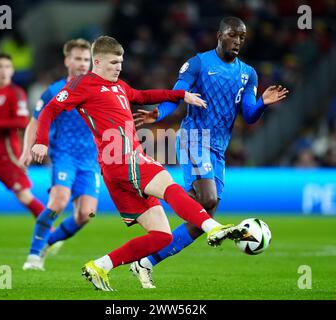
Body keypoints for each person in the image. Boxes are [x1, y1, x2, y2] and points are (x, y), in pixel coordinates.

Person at [31, 35, 248, 291]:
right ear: (97, 62)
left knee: (161, 237)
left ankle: (101, 265)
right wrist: (41, 141)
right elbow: (49, 110)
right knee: (167, 182)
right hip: (121, 159)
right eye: (113, 62)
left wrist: (181, 95)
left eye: (120, 62)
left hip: (118, 170)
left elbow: (143, 95)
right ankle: (212, 227)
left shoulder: (120, 86)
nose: (118, 67)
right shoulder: (83, 84)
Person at [132, 16, 289, 288]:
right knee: (208, 198)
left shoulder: (248, 73)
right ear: (219, 35)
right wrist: (159, 114)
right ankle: (158, 194)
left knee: (206, 213)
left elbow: (249, 115)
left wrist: (262, 103)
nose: (237, 40)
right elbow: (177, 94)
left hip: (218, 148)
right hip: (194, 137)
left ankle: (146, 262)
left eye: (242, 37)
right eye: (232, 35)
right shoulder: (198, 63)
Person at [22, 39, 100, 271]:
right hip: (63, 155)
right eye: (78, 58)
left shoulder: (99, 90)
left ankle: (48, 242)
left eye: (87, 59)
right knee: (58, 201)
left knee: (85, 214)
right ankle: (34, 256)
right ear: (67, 60)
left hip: (90, 160)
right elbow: (34, 122)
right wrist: (28, 148)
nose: (82, 64)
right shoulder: (54, 91)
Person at [0, 53, 44, 223]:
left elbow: (22, 121)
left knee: (24, 196)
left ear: (12, 71)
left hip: (6, 155)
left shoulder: (16, 92)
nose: (3, 70)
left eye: (7, 67)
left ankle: (50, 231)